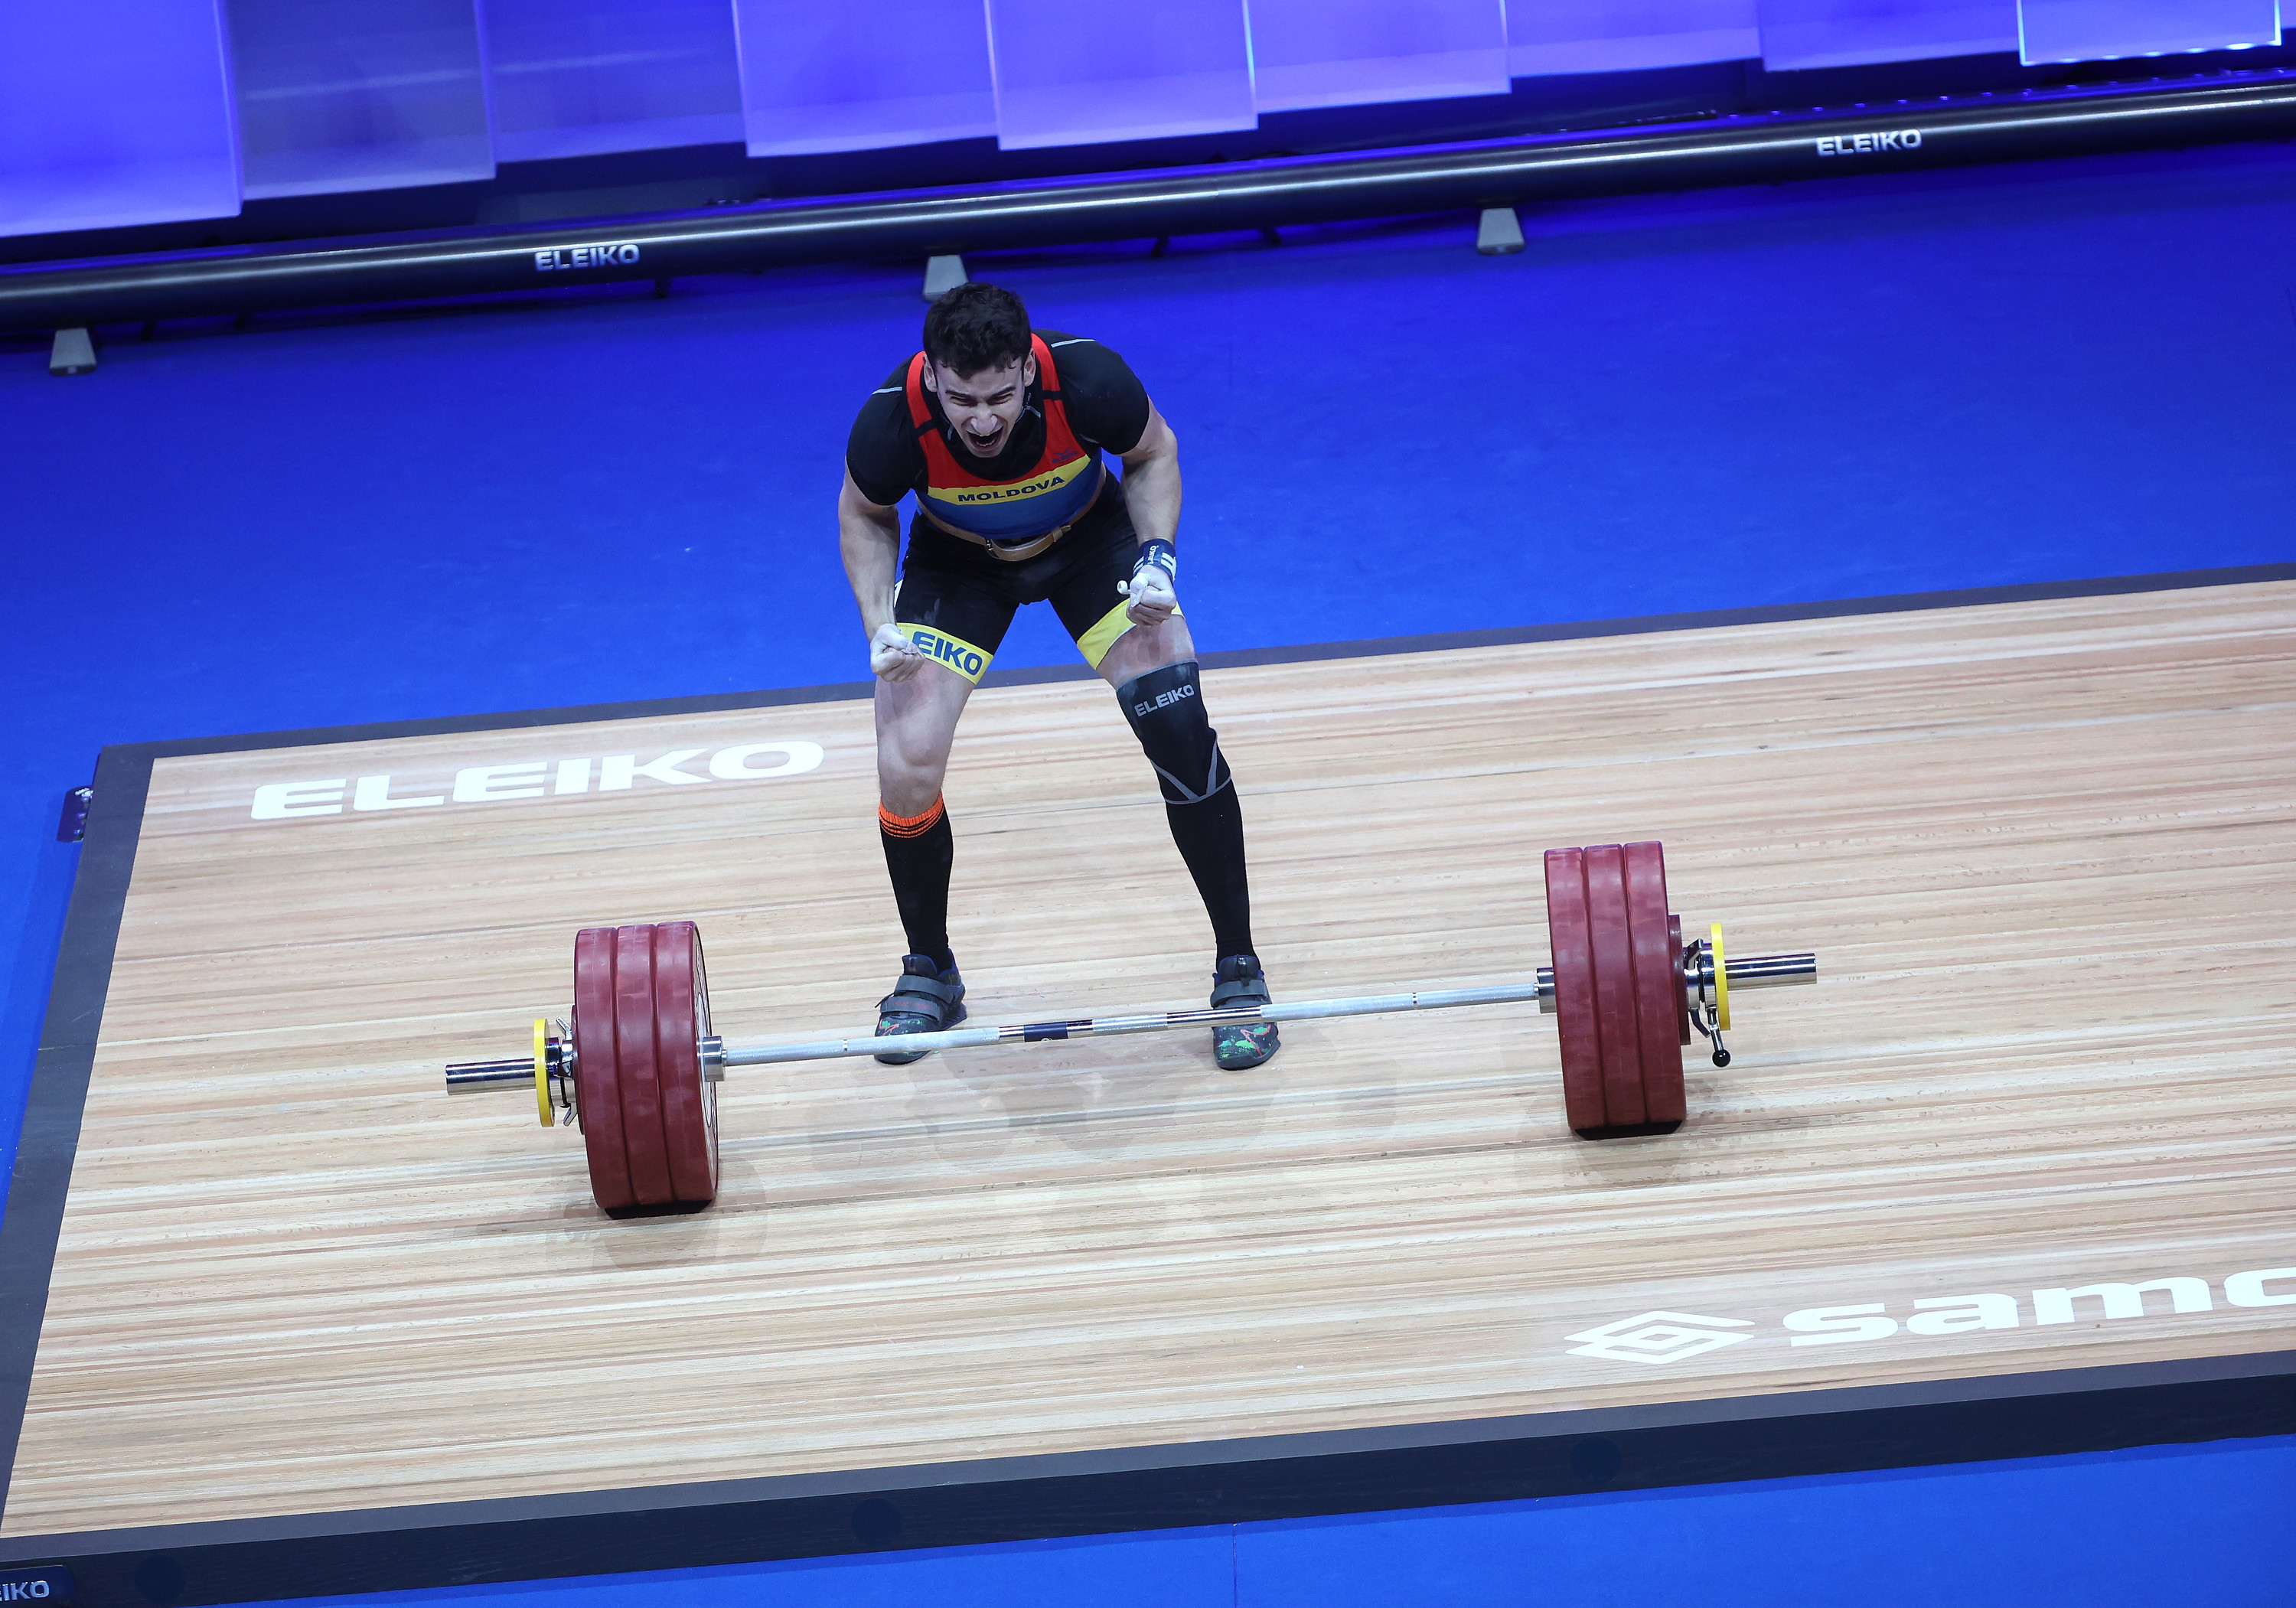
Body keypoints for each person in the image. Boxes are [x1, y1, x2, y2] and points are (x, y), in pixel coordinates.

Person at [838, 281, 1277, 1071]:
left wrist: (1156, 556)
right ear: (932, 375)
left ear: (1026, 371)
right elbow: (865, 511)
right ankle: (930, 970)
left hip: (1091, 545)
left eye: (999, 398)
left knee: (1179, 726)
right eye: (962, 400)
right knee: (906, 759)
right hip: (958, 567)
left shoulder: (1087, 377)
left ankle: (1239, 971)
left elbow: (1153, 452)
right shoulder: (891, 417)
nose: (981, 420)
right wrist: (879, 622)